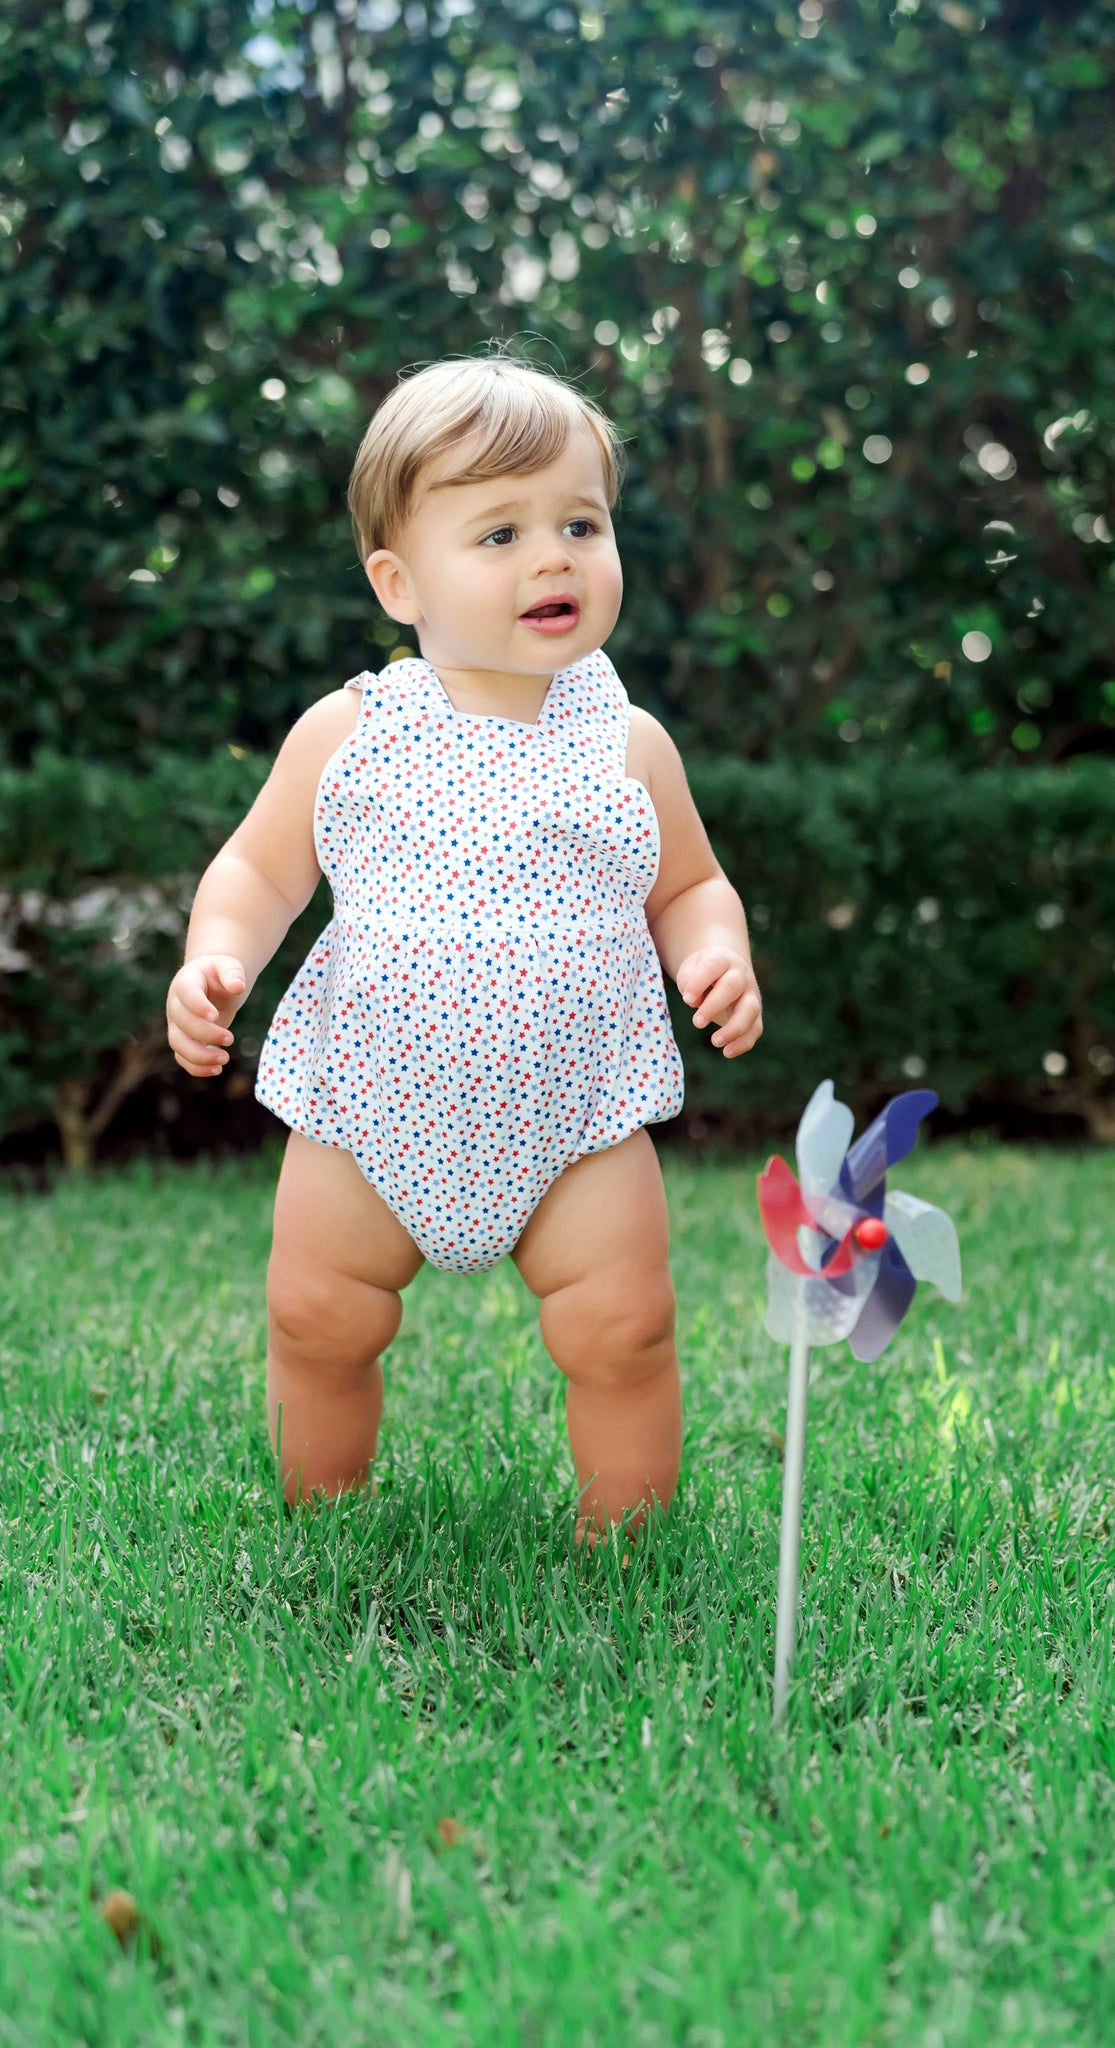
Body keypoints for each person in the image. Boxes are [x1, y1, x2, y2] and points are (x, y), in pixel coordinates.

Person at [165, 354, 762, 1542]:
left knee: (625, 1329)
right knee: (317, 1318)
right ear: (400, 581)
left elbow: (690, 881)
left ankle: (625, 1535)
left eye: (580, 522)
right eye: (499, 532)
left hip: (576, 1116)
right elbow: (258, 868)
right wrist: (215, 957)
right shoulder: (354, 730)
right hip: (369, 1111)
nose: (554, 556)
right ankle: (324, 1512)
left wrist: (713, 951)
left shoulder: (627, 741)